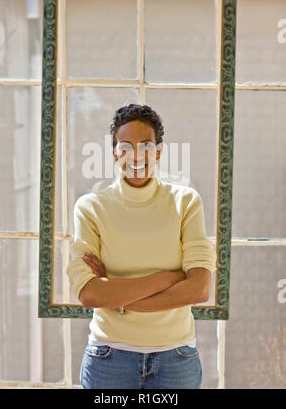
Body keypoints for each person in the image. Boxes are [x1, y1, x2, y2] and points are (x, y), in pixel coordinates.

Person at [66, 103, 217, 389]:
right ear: (115, 153)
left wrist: (117, 295)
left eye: (146, 146)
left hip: (176, 358)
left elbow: (198, 289)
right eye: (126, 146)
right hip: (109, 357)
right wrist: (167, 278)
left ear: (159, 151)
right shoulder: (91, 208)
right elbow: (89, 294)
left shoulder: (185, 203)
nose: (136, 156)